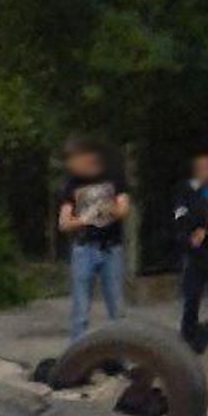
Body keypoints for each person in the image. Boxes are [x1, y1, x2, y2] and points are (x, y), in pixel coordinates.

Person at [58, 137, 130, 341]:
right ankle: (76, 360)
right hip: (84, 249)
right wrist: (84, 219)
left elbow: (124, 210)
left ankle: (123, 357)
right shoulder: (70, 184)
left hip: (111, 248)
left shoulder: (114, 177)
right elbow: (64, 223)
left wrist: (109, 207)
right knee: (80, 311)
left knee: (117, 309)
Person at [174, 150, 208, 354]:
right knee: (191, 296)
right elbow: (181, 216)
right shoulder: (186, 190)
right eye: (200, 167)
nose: (204, 171)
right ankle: (188, 338)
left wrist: (206, 228)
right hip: (194, 253)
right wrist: (198, 225)